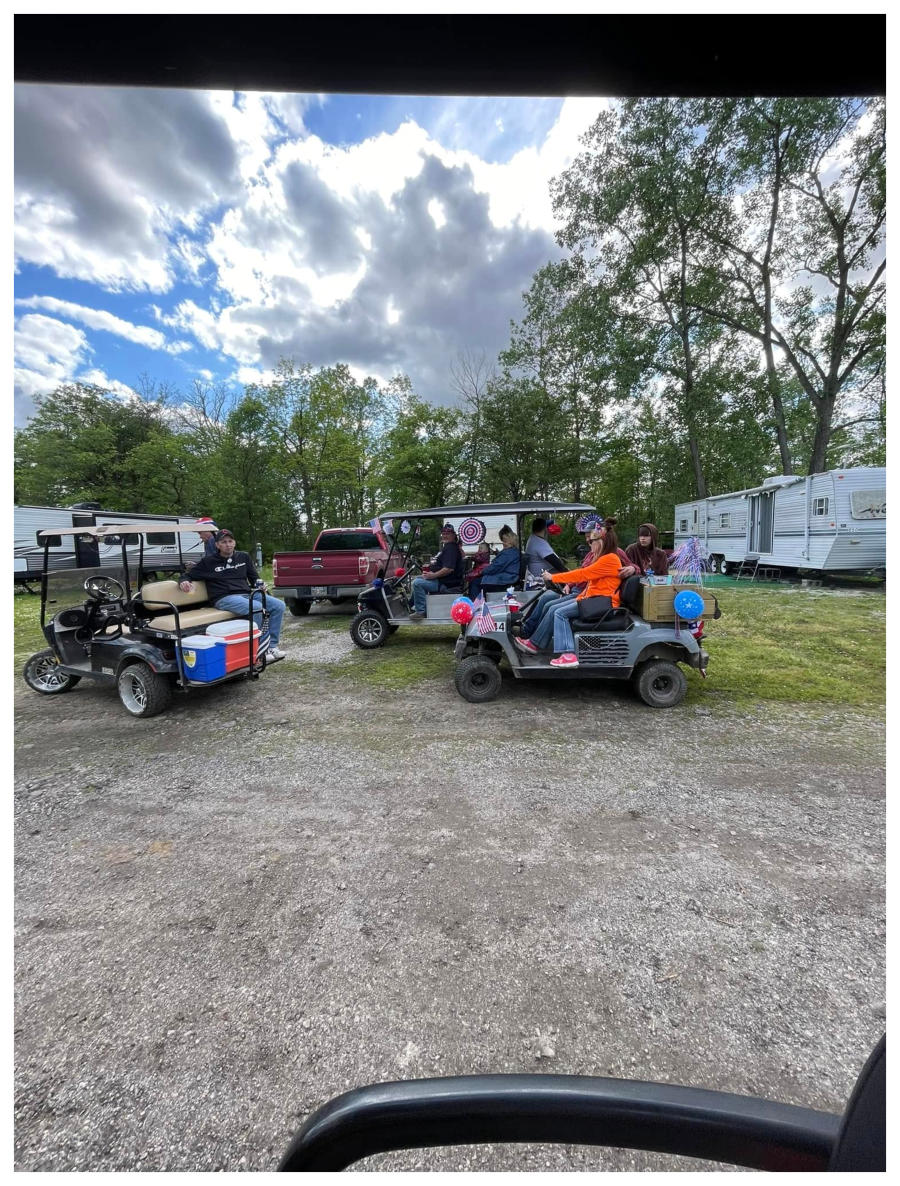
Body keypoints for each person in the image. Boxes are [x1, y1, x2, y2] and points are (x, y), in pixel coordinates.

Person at [514, 524, 625, 668]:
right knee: (553, 608)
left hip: (602, 604)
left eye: (592, 541)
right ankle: (534, 644)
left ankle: (568, 654)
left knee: (560, 613)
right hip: (593, 600)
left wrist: (553, 577)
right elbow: (591, 584)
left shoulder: (609, 559)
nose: (589, 543)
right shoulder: (602, 558)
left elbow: (582, 575)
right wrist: (577, 596)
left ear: (601, 542)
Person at [178, 528, 287, 661]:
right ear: (217, 545)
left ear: (234, 543)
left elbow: (254, 578)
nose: (228, 544)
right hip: (224, 597)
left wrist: (261, 585)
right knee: (256, 607)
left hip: (245, 594)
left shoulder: (243, 557)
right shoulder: (208, 562)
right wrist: (184, 581)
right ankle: (259, 649)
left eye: (230, 541)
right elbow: (188, 575)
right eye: (224, 542)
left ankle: (272, 646)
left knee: (279, 605)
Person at [409, 524, 465, 619]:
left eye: (448, 534)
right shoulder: (450, 547)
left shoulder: (451, 548)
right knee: (419, 579)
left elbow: (448, 569)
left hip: (446, 584)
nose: (445, 536)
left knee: (417, 583)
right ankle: (411, 605)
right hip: (443, 580)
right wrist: (431, 570)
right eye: (443, 533)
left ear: (453, 535)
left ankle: (421, 612)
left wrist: (433, 575)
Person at [467, 525, 521, 603]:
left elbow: (495, 567)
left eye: (505, 541)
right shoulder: (514, 551)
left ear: (511, 542)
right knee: (479, 580)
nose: (503, 543)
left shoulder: (508, 553)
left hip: (505, 579)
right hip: (509, 577)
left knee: (474, 583)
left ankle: (475, 605)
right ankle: (481, 602)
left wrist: (481, 572)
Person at [524, 517, 567, 582]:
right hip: (542, 575)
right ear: (544, 529)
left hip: (540, 572)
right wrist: (569, 574)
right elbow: (556, 563)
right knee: (568, 576)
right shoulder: (538, 542)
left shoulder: (533, 538)